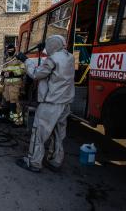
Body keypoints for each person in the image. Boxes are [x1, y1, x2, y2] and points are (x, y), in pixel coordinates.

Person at [15, 35, 75, 173]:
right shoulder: (69, 57)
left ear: (52, 46)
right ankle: (55, 161)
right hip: (65, 103)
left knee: (39, 133)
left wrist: (27, 61)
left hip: (51, 104)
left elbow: (36, 74)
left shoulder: (52, 59)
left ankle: (33, 162)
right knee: (58, 134)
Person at [1, 43, 25, 127]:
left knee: (14, 102)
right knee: (8, 102)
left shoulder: (19, 59)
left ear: (14, 50)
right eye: (8, 50)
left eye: (11, 50)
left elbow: (23, 70)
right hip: (7, 84)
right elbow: (5, 70)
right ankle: (12, 118)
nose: (9, 52)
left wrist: (13, 73)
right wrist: (3, 73)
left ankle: (18, 121)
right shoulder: (7, 59)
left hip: (15, 84)